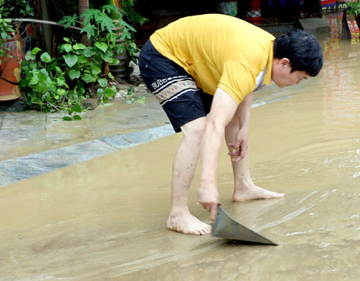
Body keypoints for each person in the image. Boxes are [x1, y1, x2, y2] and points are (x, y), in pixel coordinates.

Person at [138, 14, 323, 235]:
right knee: (197, 129)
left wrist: (244, 126)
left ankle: (243, 186)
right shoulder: (247, 60)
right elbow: (215, 124)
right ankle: (177, 214)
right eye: (300, 78)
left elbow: (246, 85)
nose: (296, 84)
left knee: (233, 118)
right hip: (164, 56)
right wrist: (208, 184)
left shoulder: (268, 51)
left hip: (197, 60)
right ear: (284, 63)